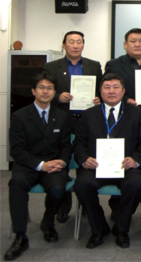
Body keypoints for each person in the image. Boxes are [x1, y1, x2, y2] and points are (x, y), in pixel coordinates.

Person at [73, 73, 141, 249]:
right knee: (82, 184)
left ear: (123, 91)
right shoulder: (89, 115)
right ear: (100, 91)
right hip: (96, 167)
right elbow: (79, 143)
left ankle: (121, 229)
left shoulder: (137, 114)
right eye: (107, 87)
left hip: (126, 167)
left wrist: (136, 160)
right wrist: (85, 160)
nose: (111, 91)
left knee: (137, 184)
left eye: (116, 87)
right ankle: (99, 229)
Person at [5, 72, 71, 261]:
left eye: (49, 88)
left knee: (58, 188)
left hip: (54, 164)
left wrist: (63, 161)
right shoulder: (19, 116)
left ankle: (48, 222)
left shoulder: (62, 116)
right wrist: (41, 165)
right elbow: (17, 150)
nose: (45, 91)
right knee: (16, 184)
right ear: (34, 91)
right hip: (28, 165)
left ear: (54, 92)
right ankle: (20, 236)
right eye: (41, 87)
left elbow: (66, 146)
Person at [43, 30, 102, 223]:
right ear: (64, 45)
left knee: (85, 162)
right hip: (62, 120)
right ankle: (63, 205)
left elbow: (102, 89)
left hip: (87, 122)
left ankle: (86, 203)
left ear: (83, 45)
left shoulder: (93, 66)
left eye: (79, 42)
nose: (75, 45)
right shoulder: (51, 67)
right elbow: (45, 90)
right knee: (62, 163)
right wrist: (57, 96)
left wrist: (98, 98)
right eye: (71, 42)